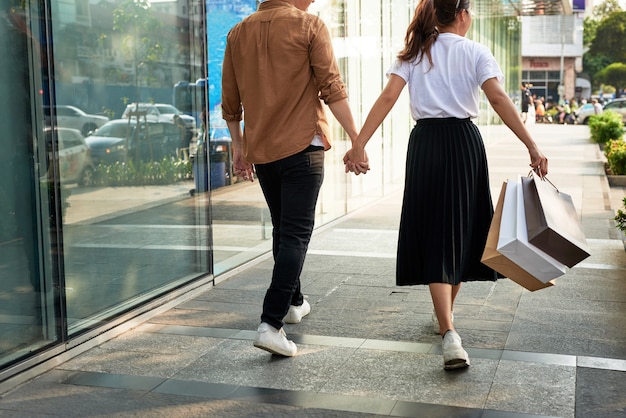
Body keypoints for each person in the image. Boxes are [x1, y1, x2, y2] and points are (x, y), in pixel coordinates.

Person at [344, 0, 548, 369]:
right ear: (464, 15)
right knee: (460, 228)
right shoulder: (475, 51)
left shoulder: (414, 52)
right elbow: (498, 99)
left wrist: (359, 144)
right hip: (464, 143)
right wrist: (531, 145)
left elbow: (388, 98)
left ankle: (446, 321)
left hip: (425, 145)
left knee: (438, 229)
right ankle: (450, 332)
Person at [221, 0, 359, 357]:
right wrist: (357, 140)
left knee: (283, 230)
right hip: (303, 147)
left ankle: (294, 301)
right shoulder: (309, 26)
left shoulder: (237, 33)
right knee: (296, 234)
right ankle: (270, 323)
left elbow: (231, 102)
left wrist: (238, 146)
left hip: (263, 150)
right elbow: (332, 87)